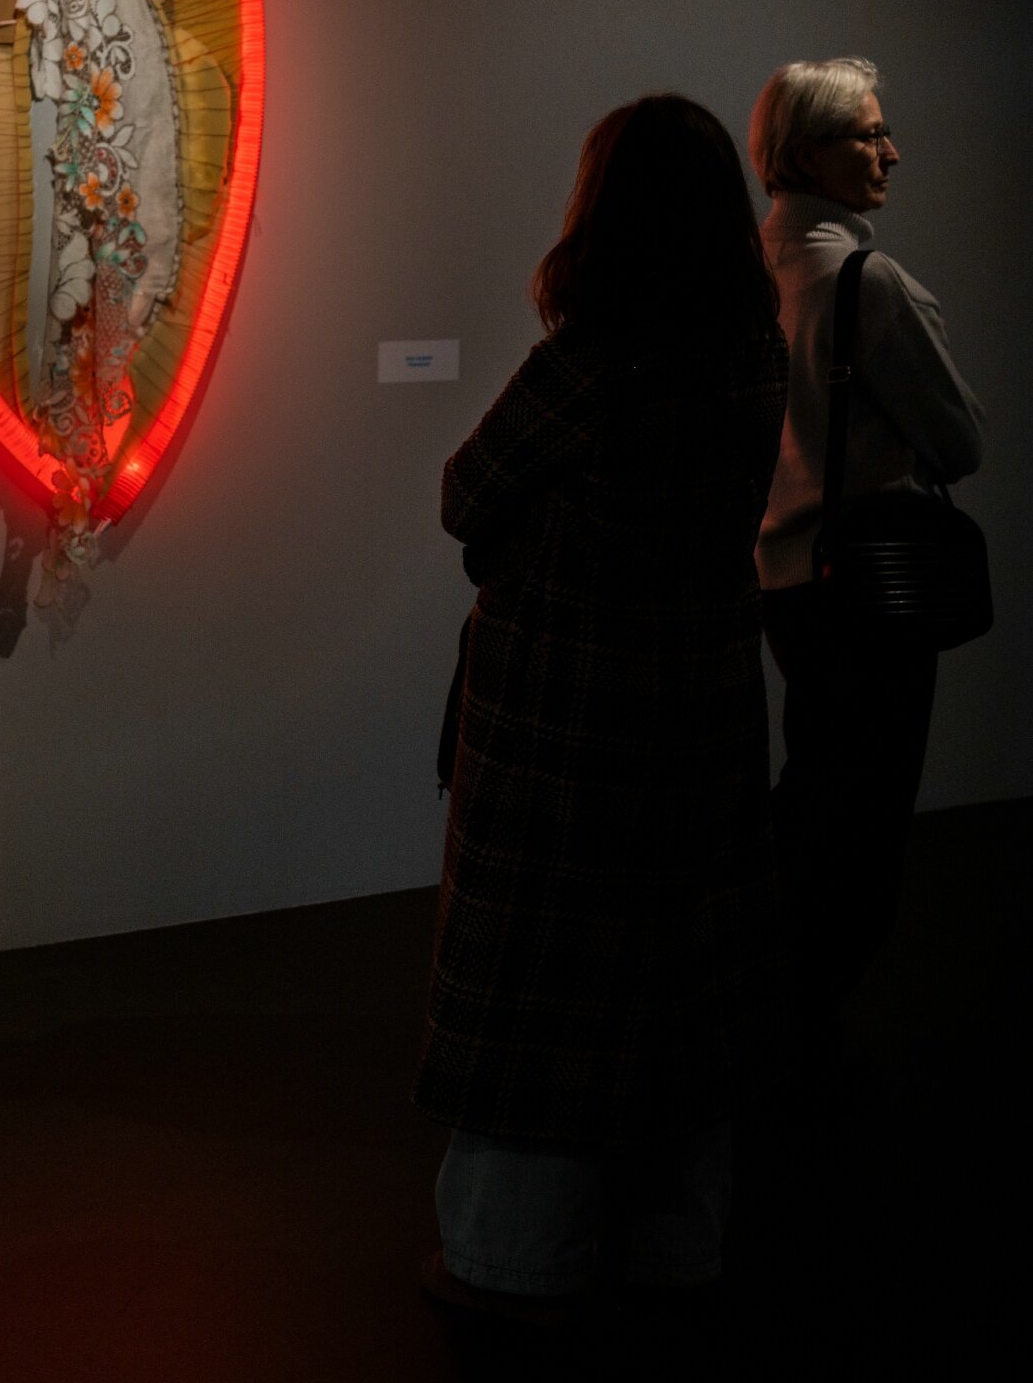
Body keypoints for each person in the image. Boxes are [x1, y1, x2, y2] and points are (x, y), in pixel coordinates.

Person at [413, 95, 790, 1320]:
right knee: (680, 975)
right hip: (701, 697)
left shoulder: (585, 367)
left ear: (604, 212)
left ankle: (515, 1255)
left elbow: (466, 495)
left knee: (546, 984)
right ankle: (674, 1241)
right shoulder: (753, 357)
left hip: (566, 719)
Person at [747, 58, 983, 1019]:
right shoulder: (864, 283)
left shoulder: (748, 274)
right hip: (871, 584)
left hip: (781, 581)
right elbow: (959, 443)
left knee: (812, 788)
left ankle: (770, 1003)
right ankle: (810, 1020)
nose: (892, 152)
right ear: (809, 153)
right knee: (866, 816)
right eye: (870, 134)